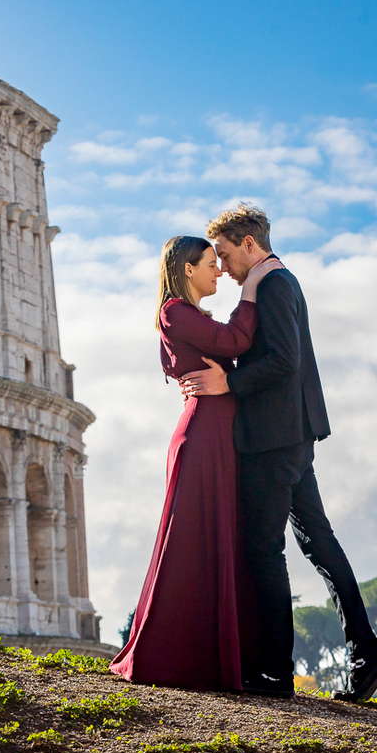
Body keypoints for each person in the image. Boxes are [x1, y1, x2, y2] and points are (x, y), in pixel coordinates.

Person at [180, 204, 377, 701]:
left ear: (249, 245)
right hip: (293, 433)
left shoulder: (274, 285)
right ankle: (366, 651)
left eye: (227, 254)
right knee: (319, 542)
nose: (226, 268)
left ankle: (275, 672)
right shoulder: (279, 282)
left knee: (264, 550)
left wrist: (227, 383)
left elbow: (282, 361)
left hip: (274, 439)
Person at [110, 235, 282, 690]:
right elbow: (236, 338)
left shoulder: (186, 316)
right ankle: (178, 656)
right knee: (194, 541)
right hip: (204, 434)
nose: (219, 271)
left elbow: (226, 345)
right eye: (210, 263)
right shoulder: (174, 312)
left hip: (213, 432)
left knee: (214, 537)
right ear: (187, 268)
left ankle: (215, 655)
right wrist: (253, 289)